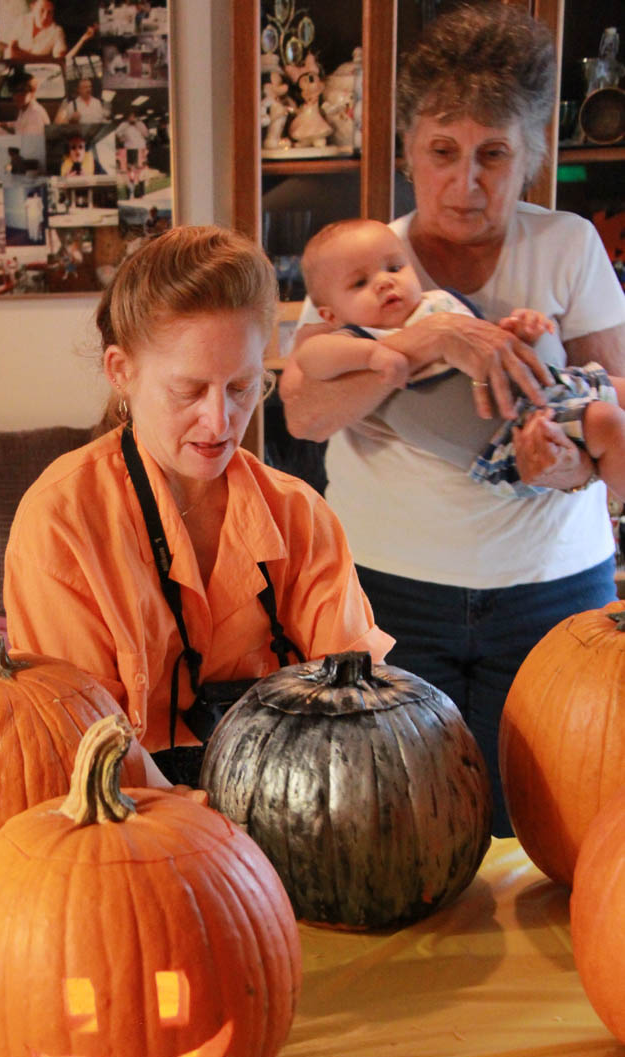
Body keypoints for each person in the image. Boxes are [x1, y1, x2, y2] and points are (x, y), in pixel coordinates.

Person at [279, 3, 625, 836]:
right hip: (388, 593)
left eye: (493, 155)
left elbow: (611, 393)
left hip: (553, 594)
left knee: (550, 824)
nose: (466, 182)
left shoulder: (569, 244)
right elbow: (304, 410)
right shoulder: (358, 260)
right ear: (407, 152)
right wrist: (428, 338)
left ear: (533, 154)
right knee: (399, 826)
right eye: (443, 152)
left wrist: (571, 465)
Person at [4, 225, 392, 788]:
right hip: (126, 825)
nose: (219, 423)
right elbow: (84, 745)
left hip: (290, 811)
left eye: (241, 388)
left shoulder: (301, 518)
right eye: (188, 391)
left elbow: (359, 704)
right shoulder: (62, 520)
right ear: (121, 373)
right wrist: (210, 834)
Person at [297, 218, 625, 499]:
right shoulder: (357, 337)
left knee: (620, 390)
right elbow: (312, 358)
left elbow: (488, 346)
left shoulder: (436, 305)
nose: (385, 282)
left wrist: (519, 331)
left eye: (395, 267)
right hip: (512, 443)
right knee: (606, 423)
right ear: (331, 314)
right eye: (360, 282)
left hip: (547, 392)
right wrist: (375, 355)